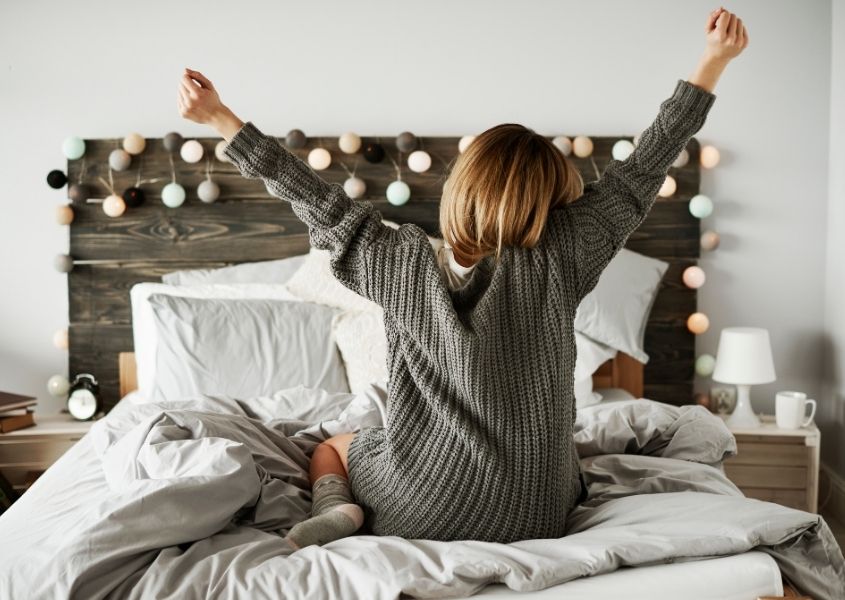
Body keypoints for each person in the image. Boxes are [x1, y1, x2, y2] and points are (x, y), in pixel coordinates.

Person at [178, 7, 747, 549]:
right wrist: (712, 61)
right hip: (539, 510)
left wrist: (221, 118)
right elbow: (641, 171)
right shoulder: (564, 256)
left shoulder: (396, 261)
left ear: (462, 188)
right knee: (561, 466)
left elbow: (313, 198)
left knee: (334, 446)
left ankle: (335, 508)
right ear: (553, 205)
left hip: (418, 503)